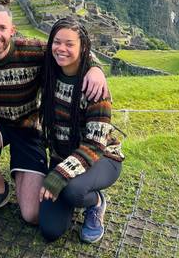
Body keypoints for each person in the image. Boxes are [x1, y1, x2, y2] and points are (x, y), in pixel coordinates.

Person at [0, 0, 109, 225]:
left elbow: (66, 47)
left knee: (32, 215)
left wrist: (95, 67)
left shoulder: (33, 50)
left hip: (28, 126)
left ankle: (24, 175)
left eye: (2, 28)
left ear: (12, 31)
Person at [38, 17, 124, 244]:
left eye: (69, 44)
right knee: (50, 230)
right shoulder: (49, 69)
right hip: (62, 156)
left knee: (72, 190)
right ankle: (72, 193)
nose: (61, 49)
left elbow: (96, 143)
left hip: (101, 158)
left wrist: (59, 174)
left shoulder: (94, 87)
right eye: (57, 42)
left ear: (83, 47)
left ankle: (95, 203)